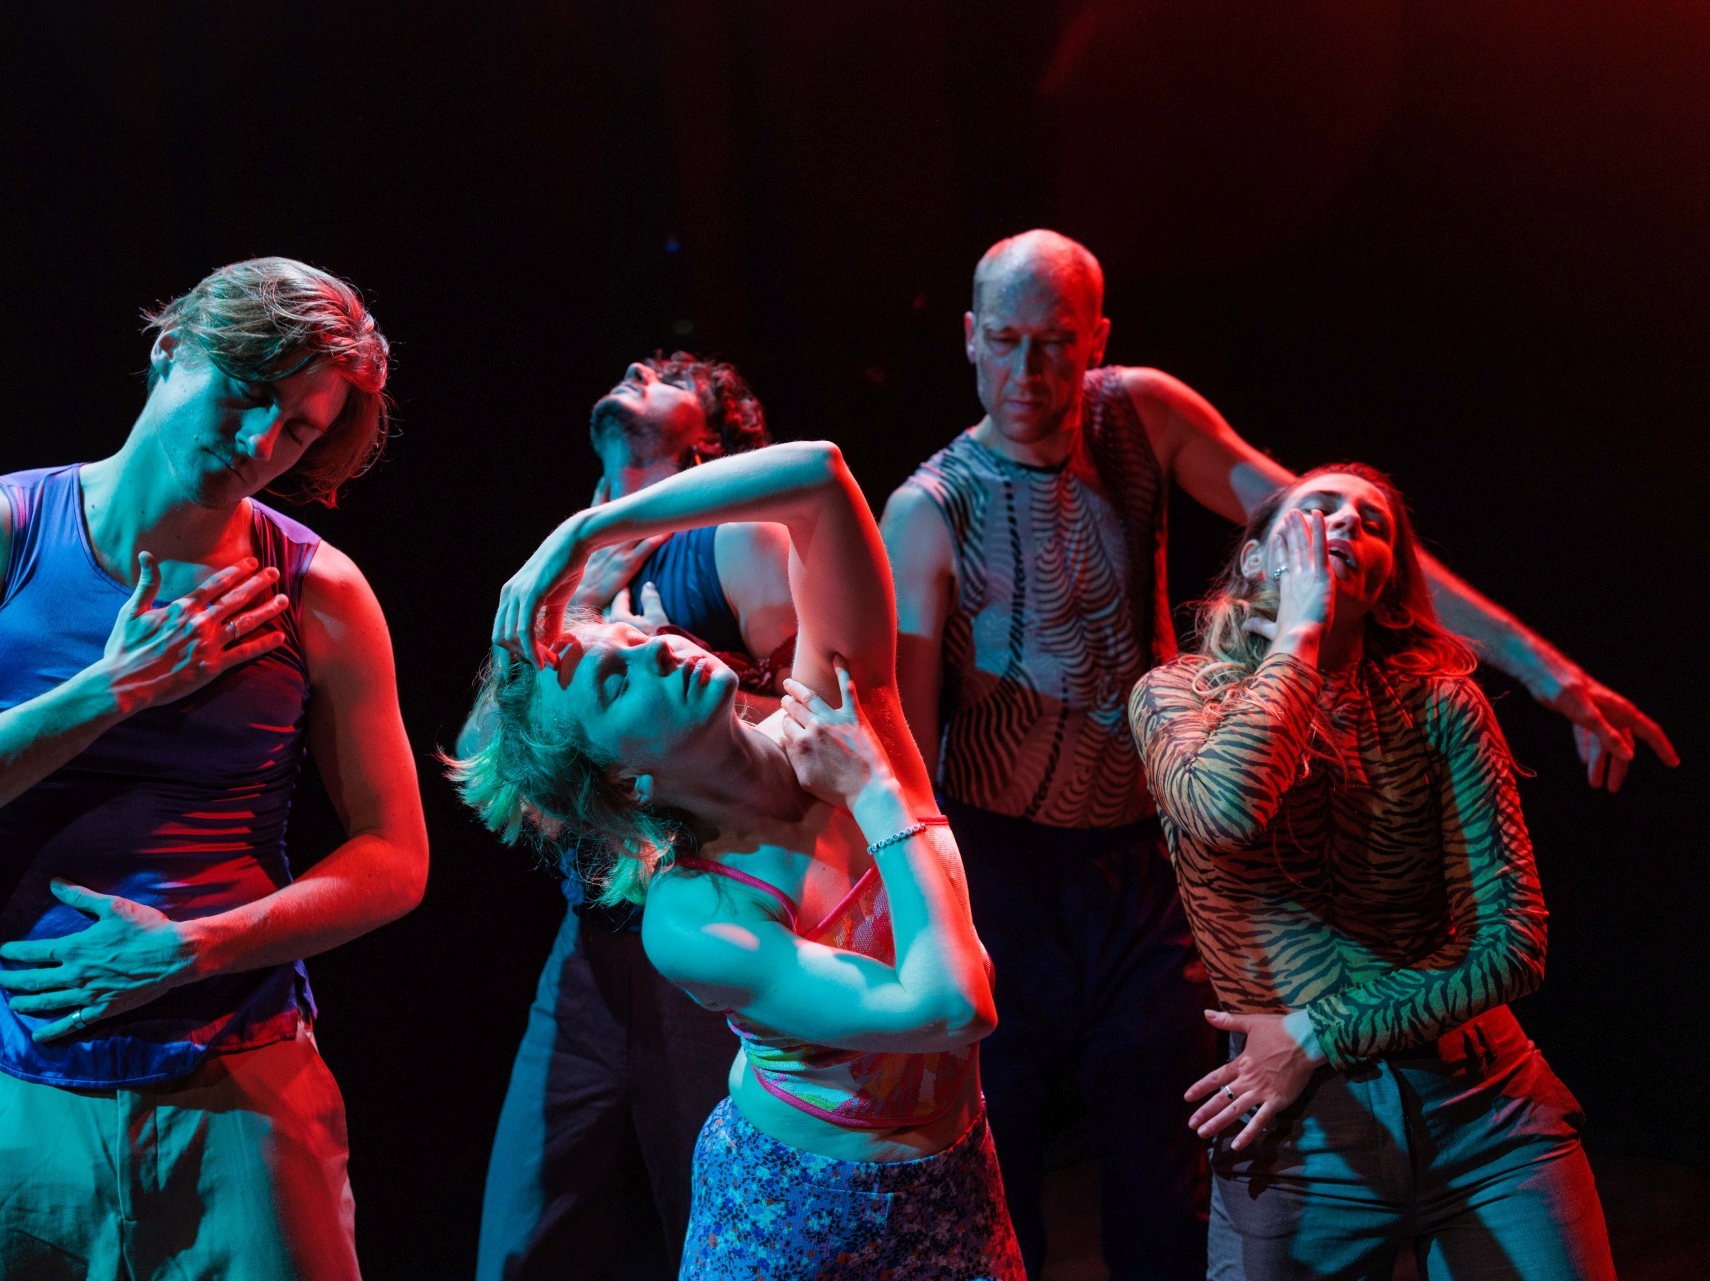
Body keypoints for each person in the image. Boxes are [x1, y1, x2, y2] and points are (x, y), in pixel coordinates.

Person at [881, 229, 1673, 1278]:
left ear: (1097, 341)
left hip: (1147, 862)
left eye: (1058, 345)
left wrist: (1546, 672)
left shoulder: (1142, 415)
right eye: (1010, 343)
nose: (1031, 374)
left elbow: (1329, 527)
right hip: (1009, 859)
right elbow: (903, 741)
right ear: (972, 341)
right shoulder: (932, 507)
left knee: (1166, 1160)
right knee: (1003, 1154)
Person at [0, 257, 429, 1280]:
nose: (259, 446)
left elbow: (395, 857)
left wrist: (197, 947)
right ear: (169, 350)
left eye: (298, 430)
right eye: (245, 397)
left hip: (244, 1091)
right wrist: (109, 692)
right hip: (16, 1097)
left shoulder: (319, 591)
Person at [453, 441, 1022, 1280]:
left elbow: (823, 477)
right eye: (616, 682)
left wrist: (592, 528)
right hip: (796, 1214)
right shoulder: (694, 912)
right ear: (621, 778)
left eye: (633, 633)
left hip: (957, 1175)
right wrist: (879, 797)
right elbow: (952, 1006)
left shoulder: (834, 705)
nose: (656, 649)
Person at [1128, 463, 1615, 1280]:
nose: (1347, 524)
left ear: (1389, 585)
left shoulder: (1441, 702)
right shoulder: (1173, 695)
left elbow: (1513, 943)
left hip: (1483, 1108)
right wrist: (1299, 635)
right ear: (1255, 562)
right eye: (1319, 509)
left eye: (1374, 522)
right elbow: (1224, 808)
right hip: (1301, 1133)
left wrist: (1317, 1033)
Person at [471, 354, 797, 1281]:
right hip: (591, 941)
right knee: (523, 1233)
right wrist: (575, 603)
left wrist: (679, 715)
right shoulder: (562, 571)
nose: (637, 367)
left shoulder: (735, 537)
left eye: (670, 374)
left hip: (712, 918)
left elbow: (822, 724)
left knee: (722, 1223)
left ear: (712, 442)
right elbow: (502, 760)